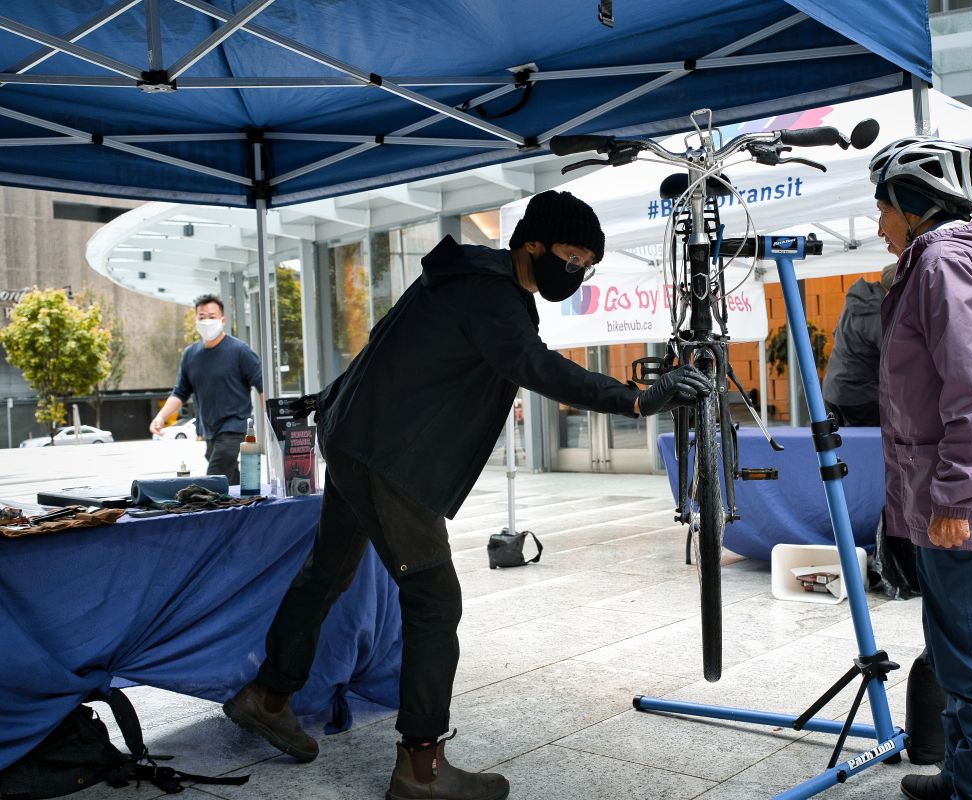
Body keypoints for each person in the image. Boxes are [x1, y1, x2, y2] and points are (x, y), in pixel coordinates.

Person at [221, 190, 708, 800]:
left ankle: (267, 697)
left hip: (354, 436)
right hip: (389, 456)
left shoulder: (464, 274)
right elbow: (537, 367)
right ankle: (420, 769)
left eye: (588, 265)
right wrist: (636, 398)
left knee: (326, 573)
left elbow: (381, 339)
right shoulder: (490, 294)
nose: (578, 272)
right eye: (572, 257)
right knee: (433, 601)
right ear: (532, 244)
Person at [869, 137, 972, 800]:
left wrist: (954, 498)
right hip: (954, 493)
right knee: (955, 651)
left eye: (882, 208)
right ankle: (968, 775)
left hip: (964, 502)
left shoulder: (943, 262)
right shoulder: (945, 262)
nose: (878, 224)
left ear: (915, 206)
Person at [150, 294, 262, 484]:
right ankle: (244, 507)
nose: (207, 321)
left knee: (213, 480)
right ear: (195, 320)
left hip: (234, 427)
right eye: (202, 317)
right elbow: (181, 392)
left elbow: (262, 386)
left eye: (212, 316)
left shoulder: (240, 351)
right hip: (209, 430)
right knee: (230, 481)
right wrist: (160, 416)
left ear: (223, 320)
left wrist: (274, 421)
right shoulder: (190, 354)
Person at [821, 262, 896, 427]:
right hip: (860, 395)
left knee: (844, 446)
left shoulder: (857, 300)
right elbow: (895, 358)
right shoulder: (879, 312)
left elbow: (835, 333)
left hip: (833, 390)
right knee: (873, 446)